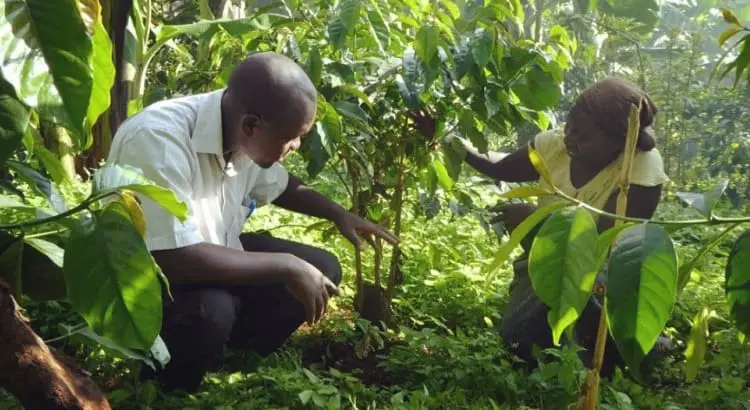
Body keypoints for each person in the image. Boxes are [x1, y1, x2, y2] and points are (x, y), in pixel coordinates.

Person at [106, 52, 398, 393]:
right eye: (290, 137)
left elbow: (282, 185)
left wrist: (338, 214)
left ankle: (232, 353)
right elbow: (173, 258)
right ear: (251, 125)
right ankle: (166, 384)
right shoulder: (157, 139)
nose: (296, 146)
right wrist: (287, 266)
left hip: (214, 255)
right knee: (211, 310)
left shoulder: (241, 129)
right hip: (155, 277)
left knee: (321, 266)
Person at [416, 78, 671, 375]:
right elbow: (501, 167)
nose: (570, 139)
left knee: (590, 341)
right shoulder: (557, 145)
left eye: (583, 136)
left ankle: (635, 348)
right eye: (570, 127)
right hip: (545, 260)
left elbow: (604, 244)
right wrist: (451, 141)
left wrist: (538, 223)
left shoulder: (639, 168)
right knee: (518, 339)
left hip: (605, 273)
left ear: (617, 141)